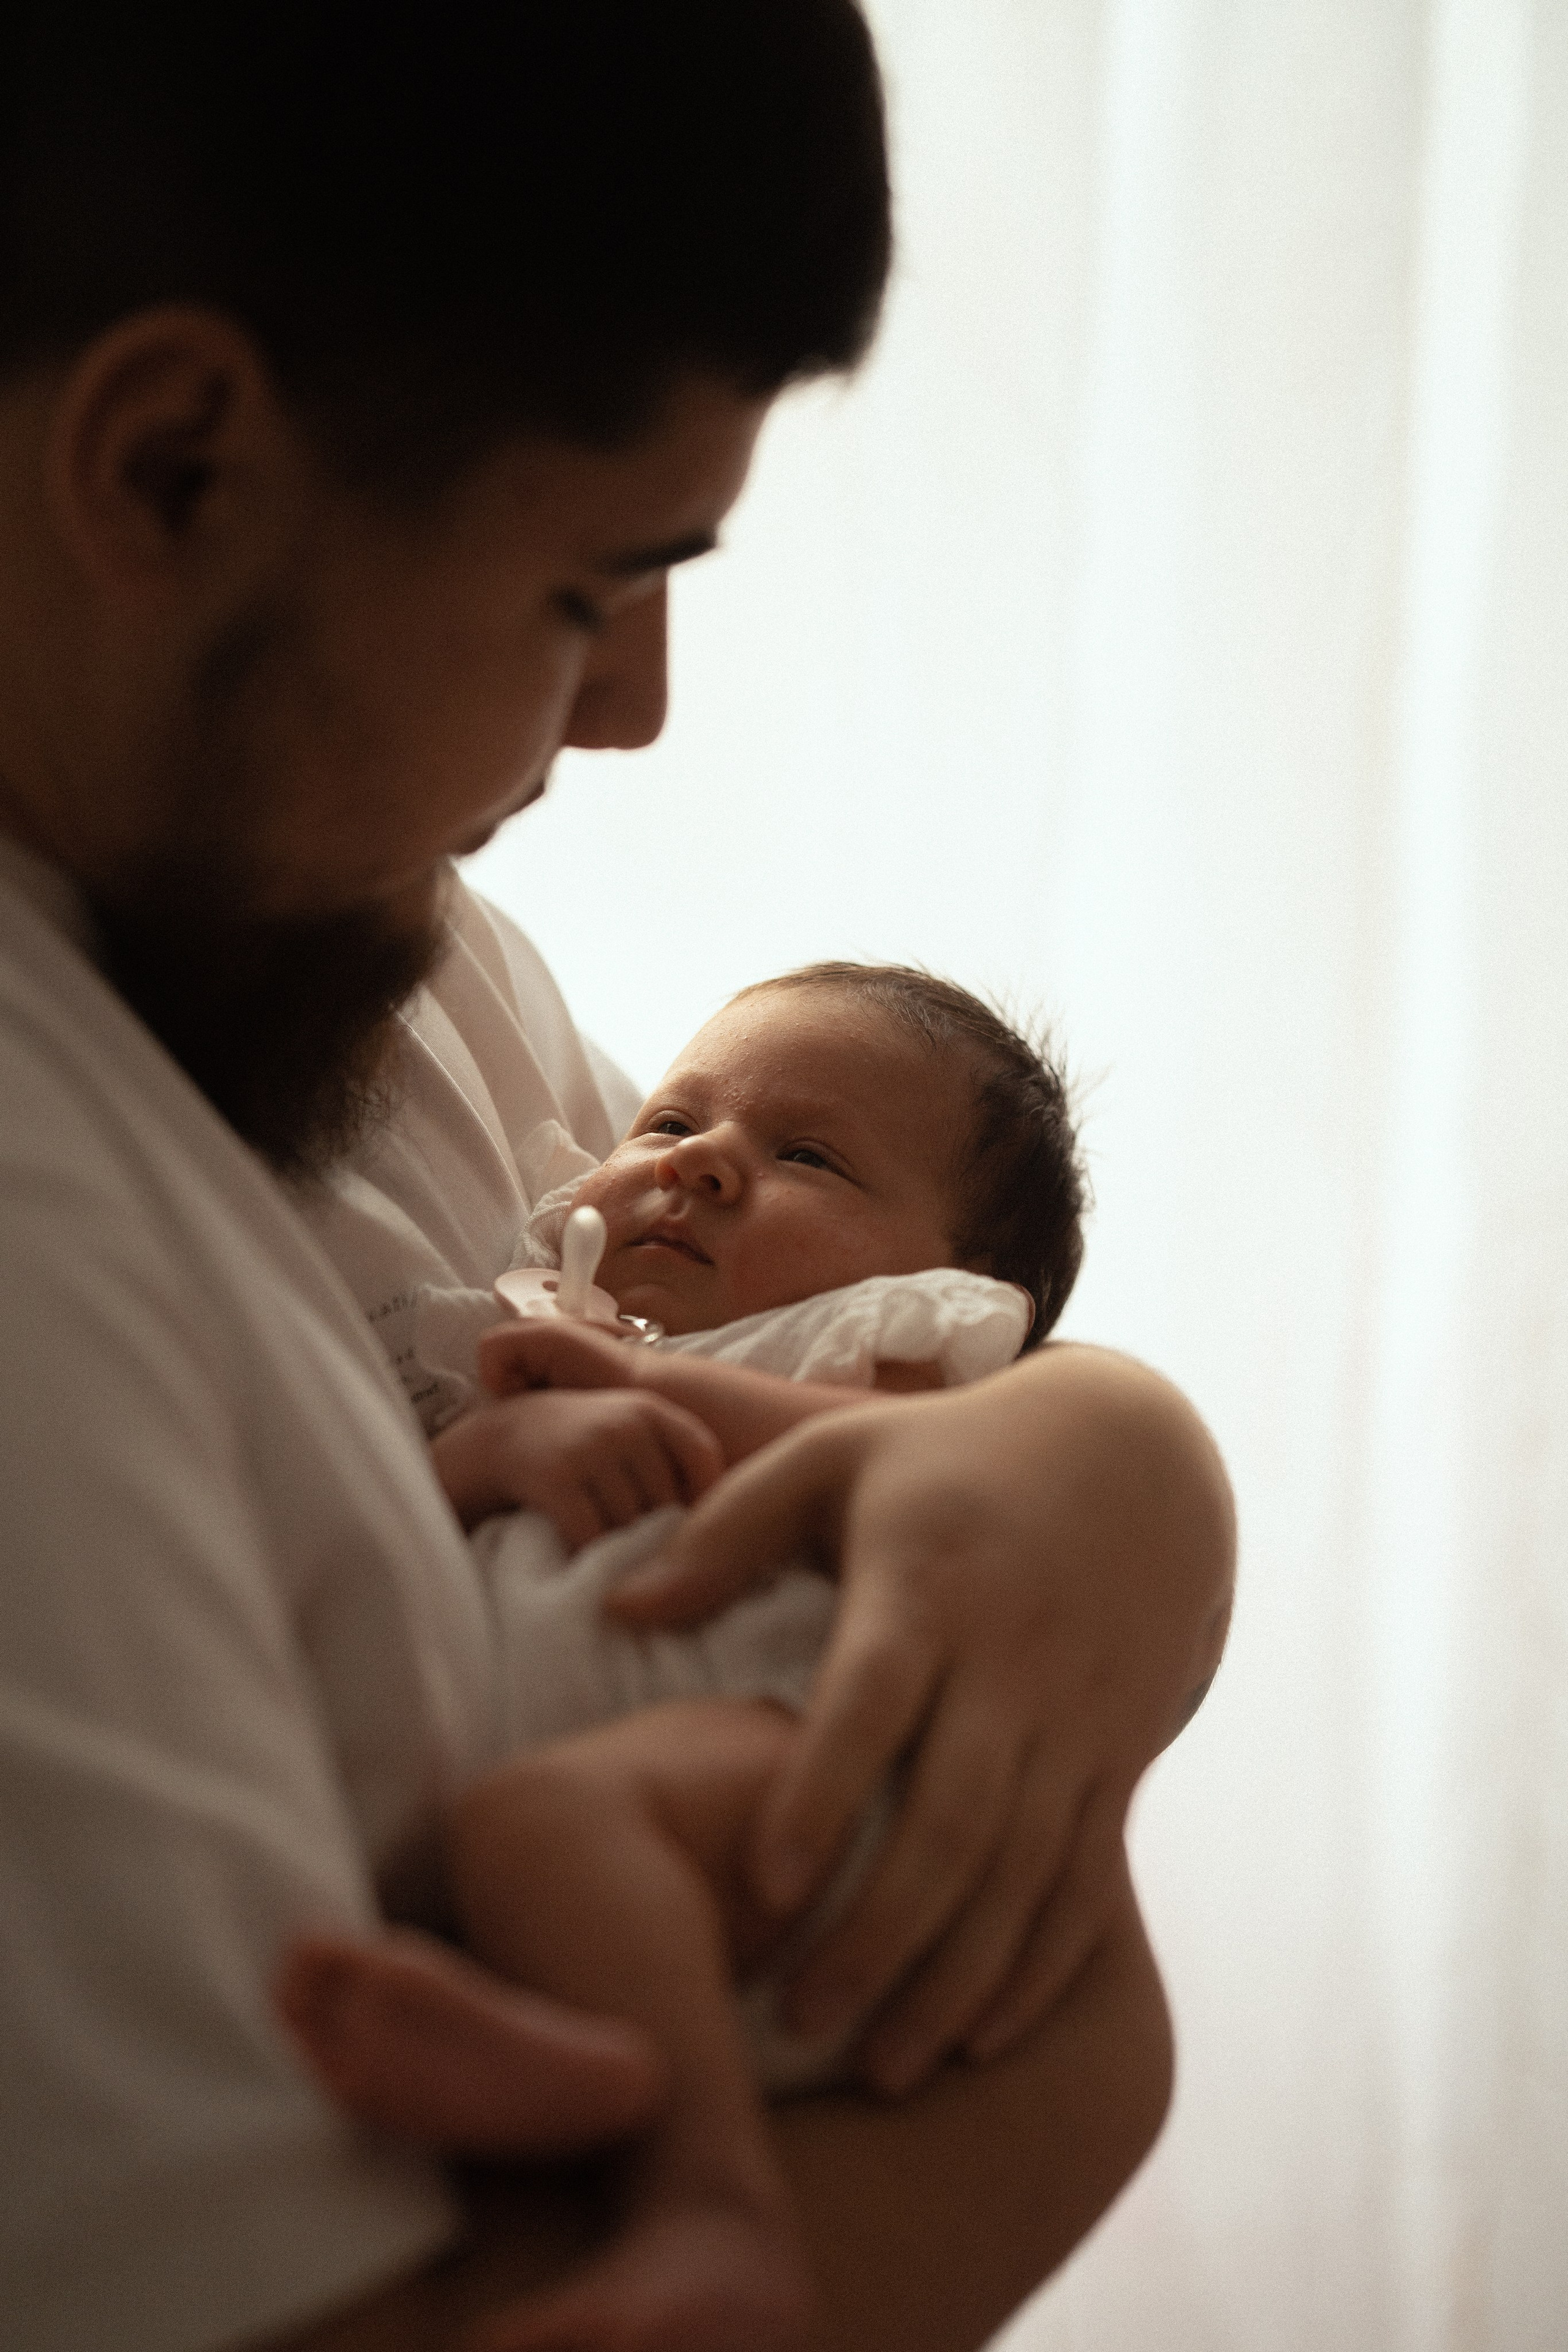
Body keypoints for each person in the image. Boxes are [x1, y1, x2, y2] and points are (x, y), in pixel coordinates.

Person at [0, 9, 1234, 2352]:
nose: (639, 706)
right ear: (168, 468)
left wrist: (1126, 1465)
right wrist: (1074, 2078)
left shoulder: (385, 948)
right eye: (592, 583)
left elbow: (828, 1301)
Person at [278, 963, 1087, 2352]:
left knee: (546, 1822)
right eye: (664, 1126)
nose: (706, 1164)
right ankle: (563, 2072)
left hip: (802, 1754)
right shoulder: (526, 1341)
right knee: (481, 1858)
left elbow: (919, 1475)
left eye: (808, 1156)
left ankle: (710, 2209)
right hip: (616, 1824)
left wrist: (650, 1395)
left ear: (956, 1273)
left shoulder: (887, 1339)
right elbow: (375, 1547)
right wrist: (481, 1455)